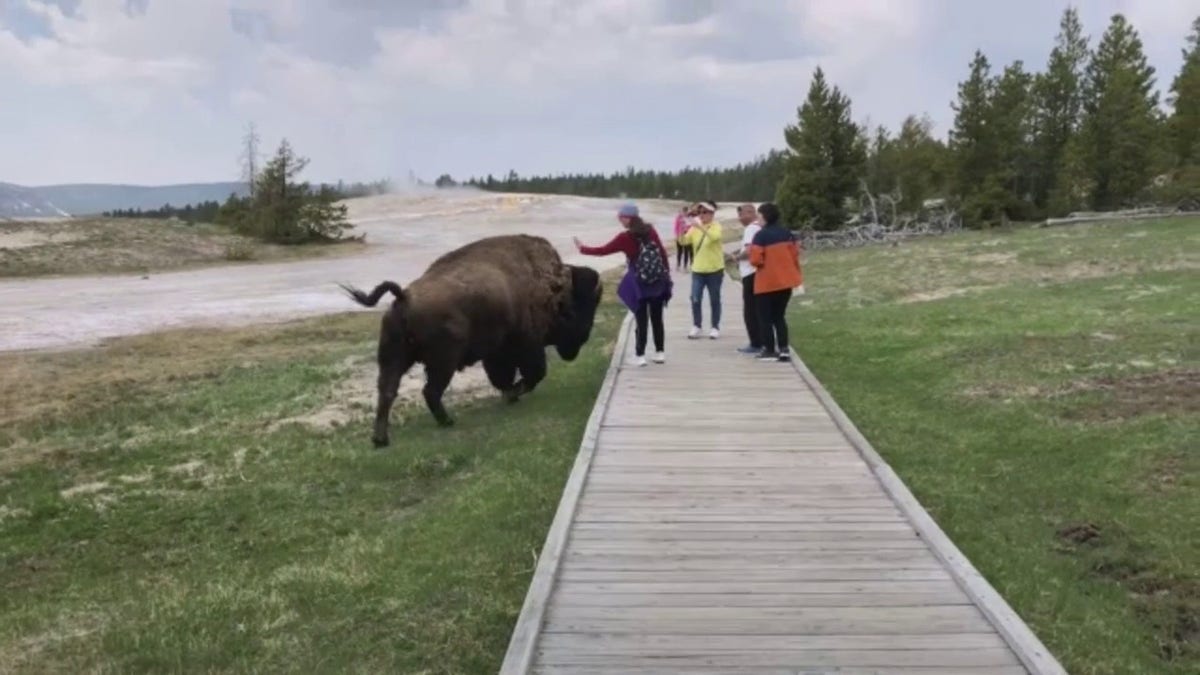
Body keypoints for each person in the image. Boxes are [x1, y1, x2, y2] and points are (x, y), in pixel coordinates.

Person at [574, 202, 672, 366]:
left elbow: (603, 250)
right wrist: (666, 275)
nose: (619, 219)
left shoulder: (624, 237)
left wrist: (582, 248)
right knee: (657, 317)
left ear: (628, 218)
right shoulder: (651, 231)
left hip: (639, 283)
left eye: (621, 217)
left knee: (641, 319)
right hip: (657, 281)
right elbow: (662, 252)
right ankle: (659, 353)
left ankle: (640, 356)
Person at [747, 201, 803, 362]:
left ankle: (769, 349)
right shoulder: (787, 233)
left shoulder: (760, 235)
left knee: (765, 317)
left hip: (766, 283)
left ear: (764, 217)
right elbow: (794, 254)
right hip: (785, 282)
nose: (758, 219)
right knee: (779, 316)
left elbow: (755, 260)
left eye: (759, 215)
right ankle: (784, 348)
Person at [679, 200, 724, 339]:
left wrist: (700, 227)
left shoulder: (716, 226)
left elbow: (714, 238)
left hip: (714, 270)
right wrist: (681, 229)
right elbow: (684, 241)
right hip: (698, 270)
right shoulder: (694, 228)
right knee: (695, 298)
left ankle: (715, 327)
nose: (702, 215)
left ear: (712, 213)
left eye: (705, 212)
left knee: (714, 299)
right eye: (700, 212)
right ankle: (697, 325)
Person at [728, 203, 763, 354]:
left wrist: (737, 257)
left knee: (750, 310)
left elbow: (749, 251)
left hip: (750, 273)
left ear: (750, 213)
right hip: (759, 273)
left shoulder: (750, 229)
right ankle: (763, 340)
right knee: (759, 309)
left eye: (741, 214)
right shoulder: (760, 227)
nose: (740, 218)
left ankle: (755, 343)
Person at [673, 205, 692, 271]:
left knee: (686, 251)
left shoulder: (689, 218)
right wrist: (676, 235)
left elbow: (691, 227)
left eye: (686, 211)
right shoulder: (678, 218)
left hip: (687, 236)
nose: (684, 213)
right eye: (684, 211)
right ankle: (678, 265)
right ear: (682, 211)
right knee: (679, 251)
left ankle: (685, 266)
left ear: (687, 211)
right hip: (680, 235)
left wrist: (688, 231)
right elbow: (675, 227)